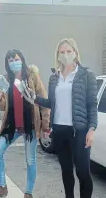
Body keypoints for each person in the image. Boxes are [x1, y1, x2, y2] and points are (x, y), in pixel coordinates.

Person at [32, 38, 98, 198]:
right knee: (66, 171)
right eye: (62, 52)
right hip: (60, 130)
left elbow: (92, 104)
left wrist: (91, 129)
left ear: (75, 53)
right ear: (57, 55)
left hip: (79, 131)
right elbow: (51, 103)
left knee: (83, 172)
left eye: (69, 51)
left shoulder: (87, 75)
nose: (65, 54)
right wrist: (34, 97)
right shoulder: (54, 77)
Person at [0, 49, 50, 198]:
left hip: (31, 126)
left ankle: (28, 192)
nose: (13, 62)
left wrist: (46, 126)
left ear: (21, 59)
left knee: (30, 160)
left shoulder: (32, 76)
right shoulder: (7, 80)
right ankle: (2, 186)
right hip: (13, 126)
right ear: (7, 64)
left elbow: (43, 100)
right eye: (10, 60)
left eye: (15, 59)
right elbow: (4, 107)